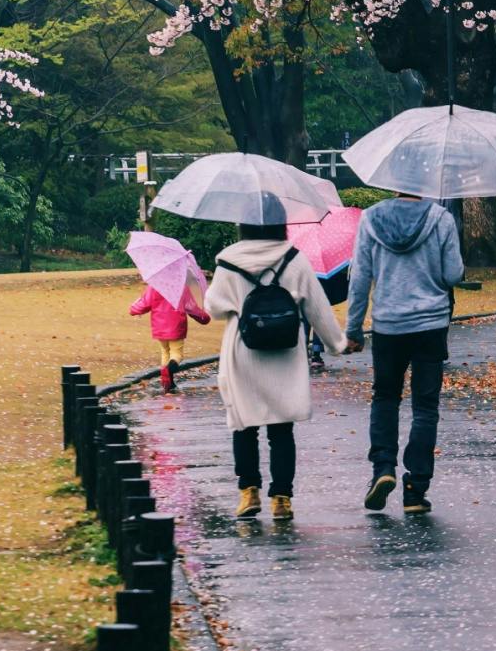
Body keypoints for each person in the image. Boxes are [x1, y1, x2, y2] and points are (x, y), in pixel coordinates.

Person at [204, 221, 349, 521]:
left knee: (243, 425)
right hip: (285, 351)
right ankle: (281, 499)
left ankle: (249, 492)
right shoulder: (294, 258)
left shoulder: (228, 261)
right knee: (281, 430)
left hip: (243, 351)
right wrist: (337, 344)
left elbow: (214, 308)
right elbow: (317, 307)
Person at [345, 193, 464, 515]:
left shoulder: (370, 218)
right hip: (431, 323)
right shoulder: (441, 219)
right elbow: (454, 274)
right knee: (425, 407)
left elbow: (359, 278)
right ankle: (416, 488)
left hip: (388, 325)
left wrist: (354, 329)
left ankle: (383, 468)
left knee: (385, 397)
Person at [129, 272, 210, 393]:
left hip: (159, 327)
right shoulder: (180, 287)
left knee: (165, 352)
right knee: (177, 354)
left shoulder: (154, 286)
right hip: (176, 325)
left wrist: (133, 309)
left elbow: (145, 304)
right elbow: (191, 307)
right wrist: (204, 318)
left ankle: (168, 383)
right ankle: (169, 373)